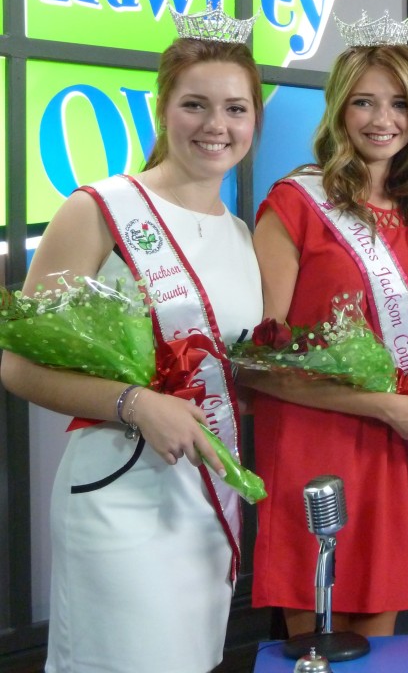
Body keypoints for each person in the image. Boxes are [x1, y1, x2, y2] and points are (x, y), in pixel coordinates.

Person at [0, 36, 264, 672]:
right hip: (119, 496)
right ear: (161, 108)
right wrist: (135, 403)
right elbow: (17, 365)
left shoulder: (238, 233)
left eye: (235, 109)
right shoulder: (98, 210)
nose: (215, 126)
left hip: (203, 502)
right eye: (195, 104)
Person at [247, 36, 408, 639]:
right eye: (364, 103)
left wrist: (395, 412)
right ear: (338, 110)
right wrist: (387, 406)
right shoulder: (293, 205)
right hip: (315, 439)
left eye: (399, 104)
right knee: (321, 638)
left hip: (389, 442)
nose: (383, 120)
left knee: (378, 641)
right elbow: (256, 365)